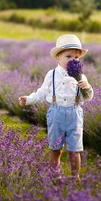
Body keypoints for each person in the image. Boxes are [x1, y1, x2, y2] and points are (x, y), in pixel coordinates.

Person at [18, 34, 93, 182]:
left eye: (76, 58)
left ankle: (74, 176)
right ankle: (55, 175)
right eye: (68, 56)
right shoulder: (51, 75)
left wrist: (88, 88)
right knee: (55, 148)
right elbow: (42, 92)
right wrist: (28, 99)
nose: (73, 60)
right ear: (58, 57)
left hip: (74, 113)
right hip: (56, 113)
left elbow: (88, 97)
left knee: (74, 149)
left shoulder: (81, 77)